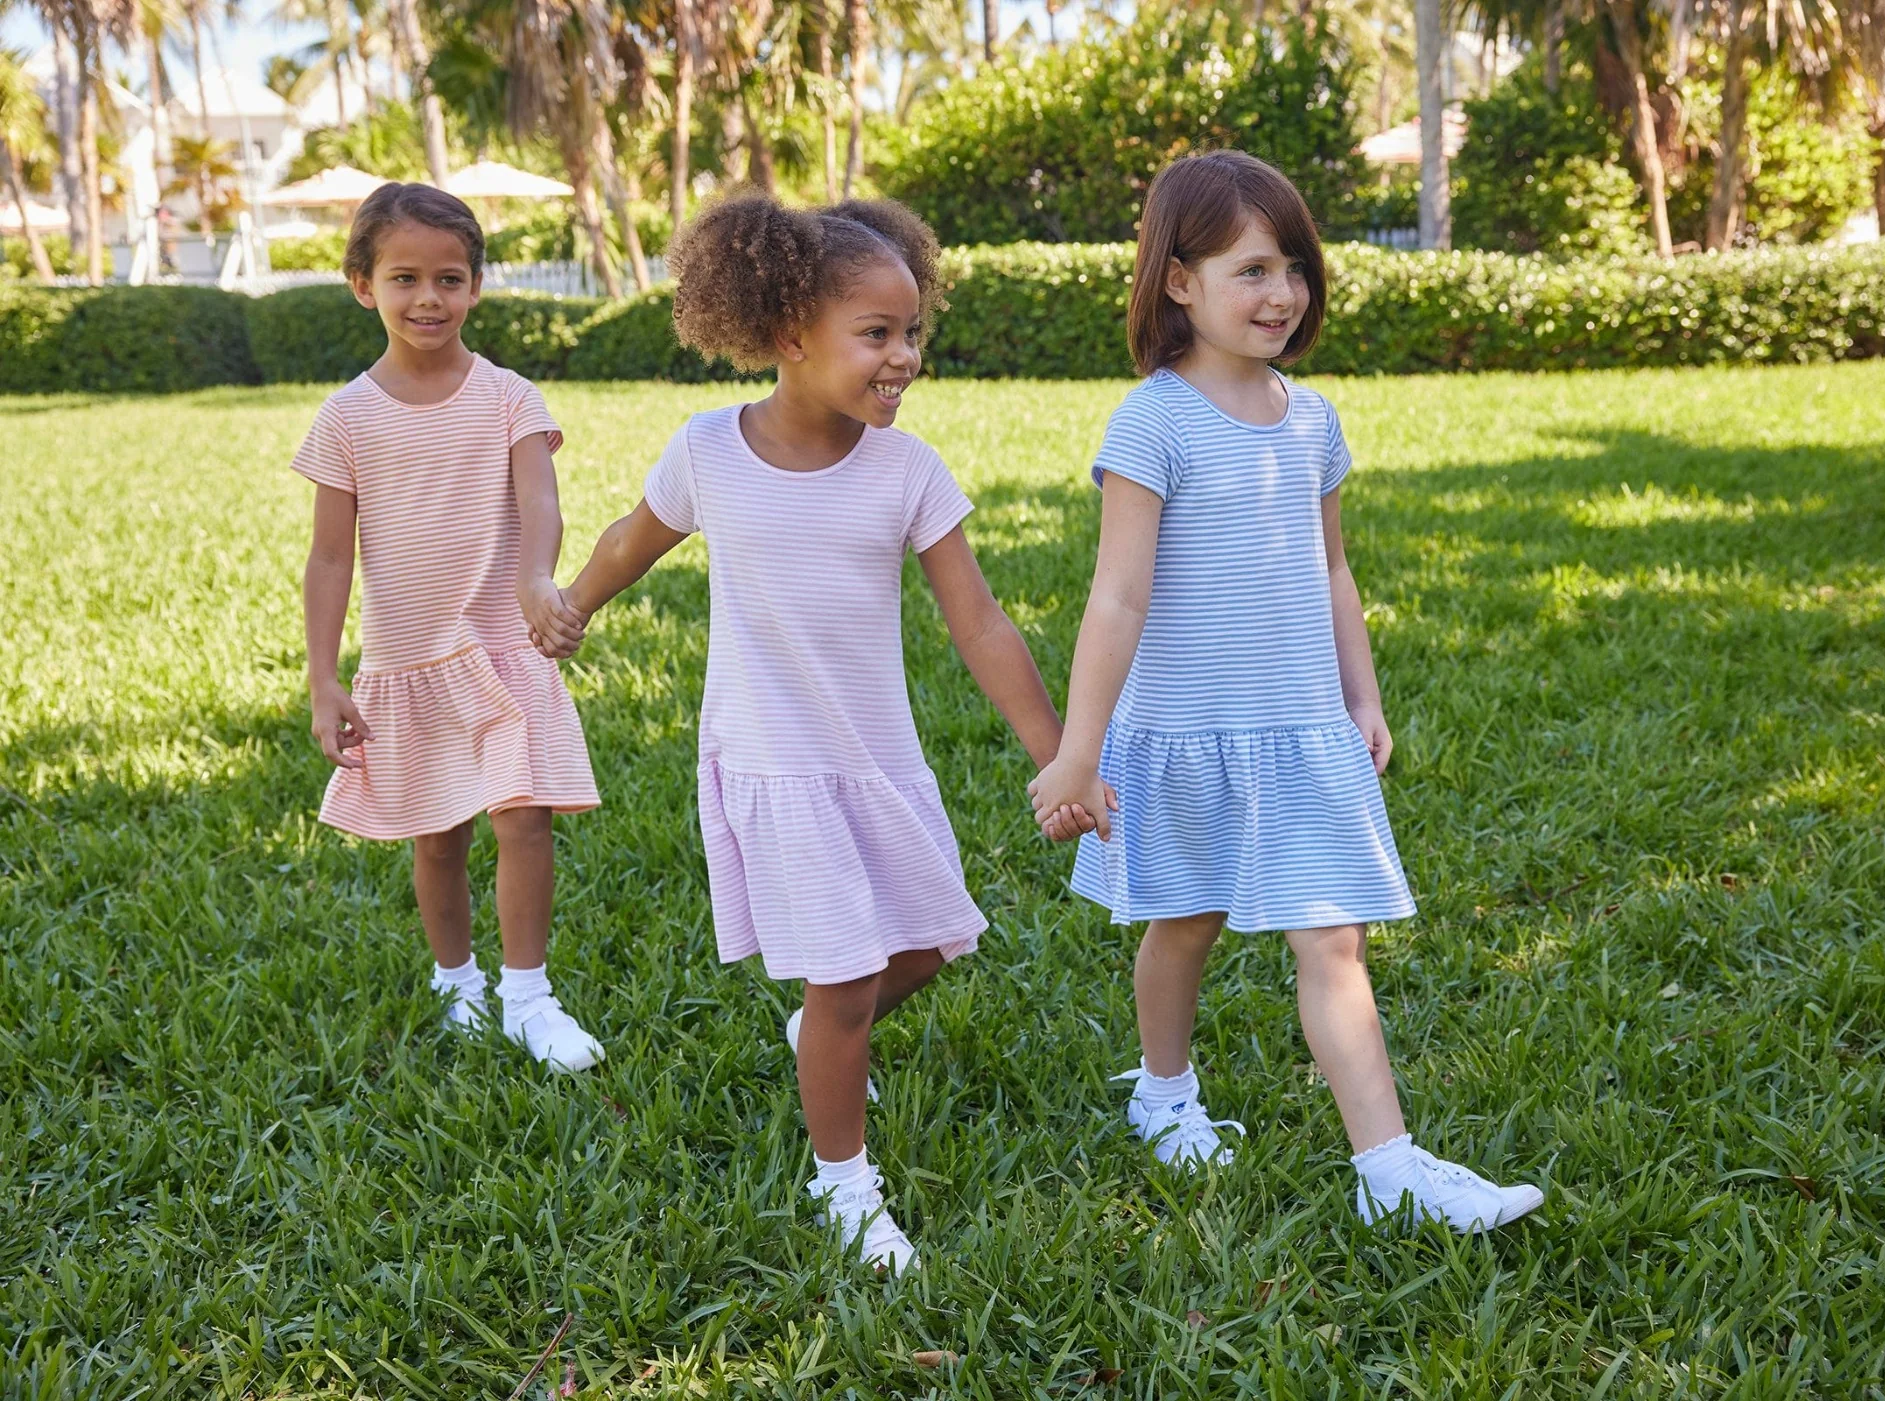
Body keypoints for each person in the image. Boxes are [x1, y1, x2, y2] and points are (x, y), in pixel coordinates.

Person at [542, 194, 1088, 1273]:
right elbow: (631, 539)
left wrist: (1058, 749)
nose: (906, 357)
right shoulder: (709, 451)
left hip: (877, 758)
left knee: (935, 938)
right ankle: (846, 1185)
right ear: (789, 335)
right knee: (841, 983)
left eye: (912, 331)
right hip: (773, 762)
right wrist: (575, 604)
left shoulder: (907, 470)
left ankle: (817, 1037)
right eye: (877, 335)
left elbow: (977, 621)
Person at [1029, 151, 1544, 1234]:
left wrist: (1362, 693)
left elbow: (1333, 568)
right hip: (1185, 730)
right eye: (1252, 269)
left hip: (1303, 727)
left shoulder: (1311, 420)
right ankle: (1164, 1095)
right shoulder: (1153, 422)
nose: (1282, 294)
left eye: (1295, 269)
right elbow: (1116, 598)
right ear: (1178, 281)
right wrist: (1080, 750)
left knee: (1333, 937)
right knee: (1184, 924)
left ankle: (1388, 1165)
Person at [295, 182, 604, 1073]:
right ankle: (457, 980)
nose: (429, 298)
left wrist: (537, 576)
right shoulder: (346, 417)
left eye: (450, 278)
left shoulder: (509, 396)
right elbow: (328, 559)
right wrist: (325, 675)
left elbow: (537, 503)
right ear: (363, 285)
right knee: (437, 833)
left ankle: (528, 994)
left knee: (525, 816)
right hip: (408, 655)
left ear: (474, 287)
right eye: (405, 278)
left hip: (502, 647)